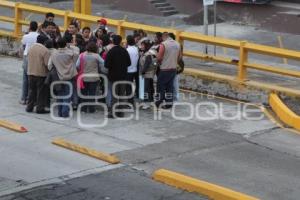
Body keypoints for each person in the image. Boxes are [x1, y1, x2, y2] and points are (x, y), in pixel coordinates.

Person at [48, 38, 78, 118]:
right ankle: (65, 112)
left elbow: (49, 66)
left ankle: (60, 111)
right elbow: (76, 54)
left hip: (58, 76)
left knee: (60, 94)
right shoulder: (71, 52)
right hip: (69, 75)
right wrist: (71, 46)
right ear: (66, 44)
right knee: (68, 95)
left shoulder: (54, 53)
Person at [105, 35, 131, 118]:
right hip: (123, 76)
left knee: (114, 96)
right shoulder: (124, 51)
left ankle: (113, 113)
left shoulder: (111, 51)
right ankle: (121, 112)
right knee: (122, 95)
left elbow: (106, 65)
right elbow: (129, 63)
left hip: (113, 77)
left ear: (112, 41)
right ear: (120, 42)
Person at [76, 42, 105, 113]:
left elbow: (77, 65)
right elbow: (104, 63)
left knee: (84, 93)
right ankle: (92, 109)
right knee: (92, 93)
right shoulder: (96, 56)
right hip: (94, 78)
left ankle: (83, 109)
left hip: (83, 77)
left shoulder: (81, 55)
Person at [155, 32, 181, 109]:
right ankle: (169, 103)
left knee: (161, 86)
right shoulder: (177, 44)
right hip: (173, 69)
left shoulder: (164, 44)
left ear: (164, 37)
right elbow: (179, 58)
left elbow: (159, 57)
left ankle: (159, 101)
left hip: (165, 69)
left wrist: (158, 62)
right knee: (170, 87)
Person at [26, 35, 50, 114]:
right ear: (44, 42)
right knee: (40, 92)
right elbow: (47, 64)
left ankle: (29, 107)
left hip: (30, 72)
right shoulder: (45, 50)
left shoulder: (31, 48)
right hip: (40, 73)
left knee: (31, 90)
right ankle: (39, 108)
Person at [20, 21, 39, 105]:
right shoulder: (39, 36)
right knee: (32, 79)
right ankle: (30, 99)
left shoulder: (26, 36)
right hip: (36, 57)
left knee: (25, 79)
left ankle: (24, 98)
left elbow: (23, 44)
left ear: (30, 27)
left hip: (27, 56)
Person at [139, 40, 158, 109]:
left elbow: (146, 65)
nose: (141, 46)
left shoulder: (148, 55)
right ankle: (149, 102)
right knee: (149, 88)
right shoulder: (147, 53)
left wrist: (142, 72)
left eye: (143, 45)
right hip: (150, 74)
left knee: (146, 89)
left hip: (147, 74)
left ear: (146, 46)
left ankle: (147, 103)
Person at [168, 32, 184, 101]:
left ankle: (175, 96)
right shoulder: (178, 45)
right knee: (174, 81)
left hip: (174, 65)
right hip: (175, 65)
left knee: (174, 81)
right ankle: (174, 96)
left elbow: (179, 56)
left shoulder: (175, 45)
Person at [126, 35, 139, 106]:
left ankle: (130, 102)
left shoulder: (127, 50)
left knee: (128, 87)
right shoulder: (136, 49)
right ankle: (131, 101)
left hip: (128, 70)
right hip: (134, 69)